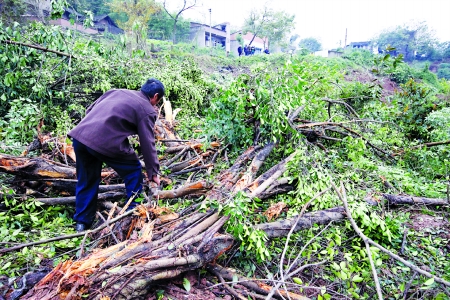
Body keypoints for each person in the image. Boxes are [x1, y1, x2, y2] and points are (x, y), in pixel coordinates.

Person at [68, 79, 164, 232]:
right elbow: (147, 143)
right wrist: (153, 172)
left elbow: (90, 110)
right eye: (157, 101)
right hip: (105, 142)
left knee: (86, 180)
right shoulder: (147, 109)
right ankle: (132, 215)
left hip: (80, 137)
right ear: (155, 96)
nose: (155, 105)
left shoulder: (116, 92)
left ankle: (81, 223)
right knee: (133, 172)